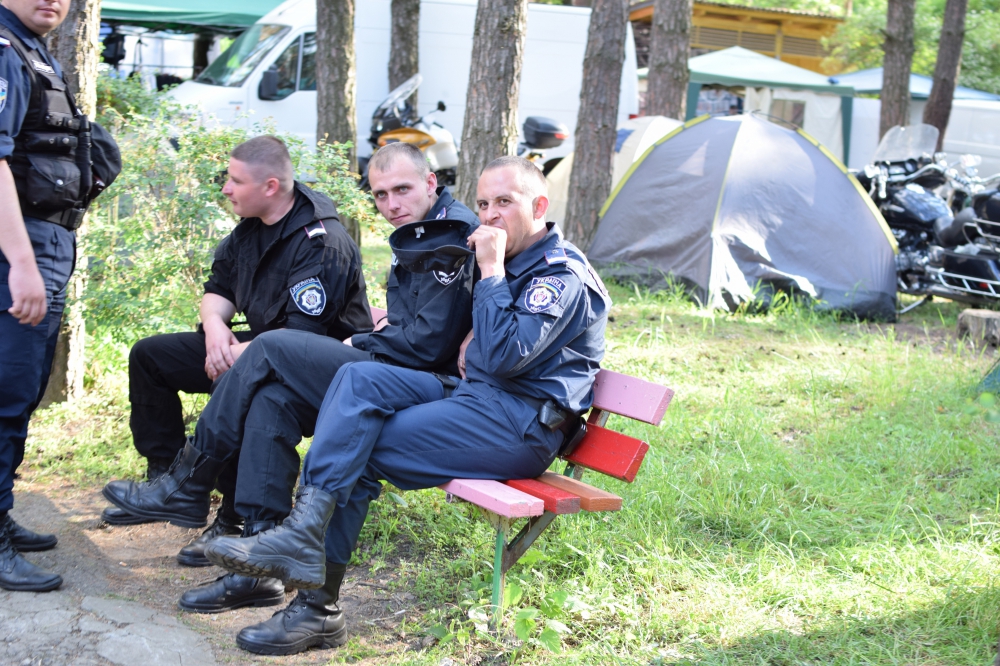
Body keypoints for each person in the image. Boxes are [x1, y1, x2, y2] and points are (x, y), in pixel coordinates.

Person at [203, 156, 611, 655]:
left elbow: (507, 355)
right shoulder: (514, 259)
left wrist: (489, 273)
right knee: (358, 378)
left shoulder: (559, 274)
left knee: (358, 447)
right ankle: (302, 536)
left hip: (519, 424)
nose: (490, 215)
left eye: (505, 202)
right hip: (477, 399)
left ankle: (316, 608)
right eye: (483, 203)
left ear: (539, 206)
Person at [101, 142, 479, 614]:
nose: (391, 204)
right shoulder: (422, 229)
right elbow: (421, 328)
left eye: (401, 190)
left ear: (430, 182)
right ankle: (256, 564)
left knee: (269, 347)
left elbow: (426, 346)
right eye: (380, 195)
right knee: (271, 400)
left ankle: (188, 482)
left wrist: (362, 340)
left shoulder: (450, 235)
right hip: (390, 373)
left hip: (428, 390)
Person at [101, 136, 374, 557]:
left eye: (236, 181)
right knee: (151, 357)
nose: (226, 189)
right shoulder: (251, 227)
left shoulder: (321, 242)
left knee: (245, 387)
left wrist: (232, 356)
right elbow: (219, 288)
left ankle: (230, 518)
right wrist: (214, 329)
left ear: (270, 186)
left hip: (318, 369)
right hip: (261, 348)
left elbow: (297, 339)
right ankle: (167, 484)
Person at [0, 0, 118, 592]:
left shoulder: (32, 48)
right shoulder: (4, 50)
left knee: (20, 391)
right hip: (17, 247)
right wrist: (21, 263)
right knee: (5, 391)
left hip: (46, 241)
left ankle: (0, 511)